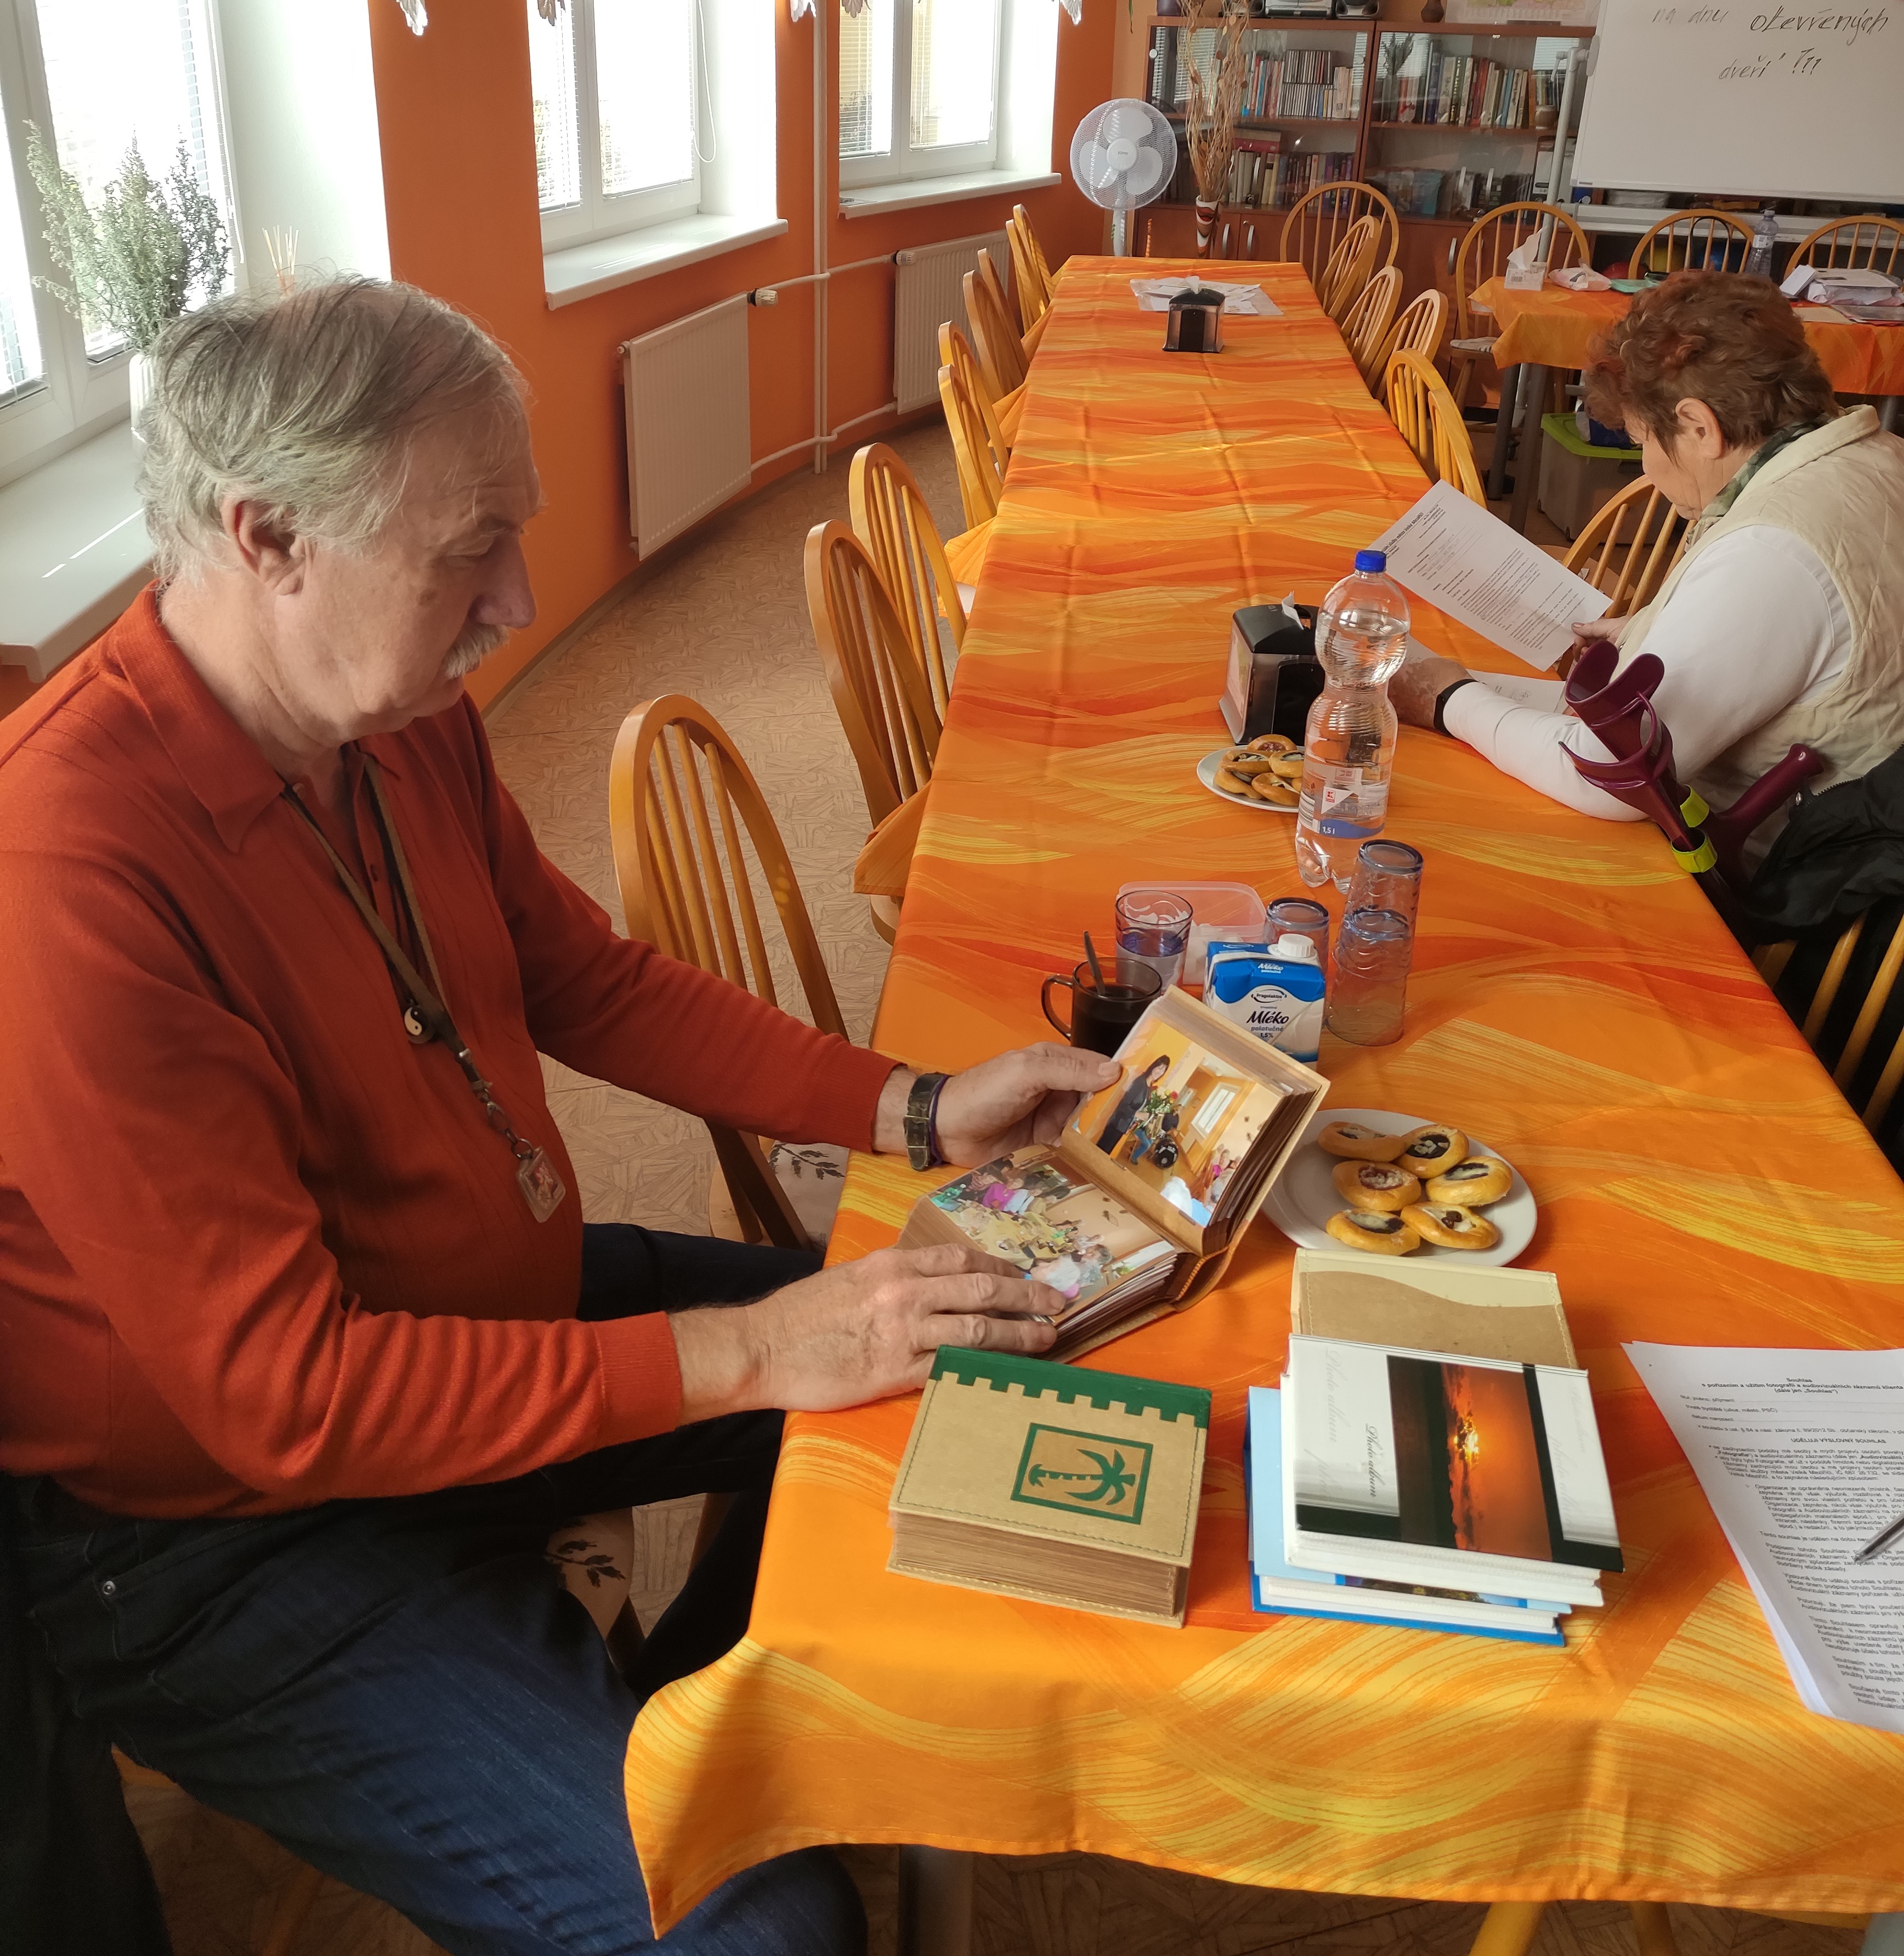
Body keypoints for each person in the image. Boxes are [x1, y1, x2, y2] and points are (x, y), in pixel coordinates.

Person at [0, 280, 1122, 1956]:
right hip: (224, 1535)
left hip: (478, 1324)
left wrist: (913, 1102)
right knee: (765, 1931)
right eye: (471, 548)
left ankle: (679, 1727)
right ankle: (647, 1790)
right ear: (270, 537)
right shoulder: (65, 869)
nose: (517, 600)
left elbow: (584, 979)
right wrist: (757, 1350)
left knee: (946, 1355)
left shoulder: (396, 723)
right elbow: (289, 1400)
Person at [1390, 272, 1904, 858]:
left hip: (1783, 872)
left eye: (1643, 442)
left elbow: (1607, 777)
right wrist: (1654, 627)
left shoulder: (1771, 552)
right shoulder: (1878, 456)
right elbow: (1826, 632)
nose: (1647, 469)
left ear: (1699, 427)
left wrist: (1449, 699)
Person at [1096, 1054, 1168, 1155]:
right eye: (1159, 1068)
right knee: (1100, 1152)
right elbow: (1123, 1105)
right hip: (1117, 1124)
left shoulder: (1149, 1087)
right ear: (1154, 1066)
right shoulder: (1140, 1082)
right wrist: (1136, 1114)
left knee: (1104, 1154)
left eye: (1163, 1070)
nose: (1160, 1072)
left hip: (1124, 1126)